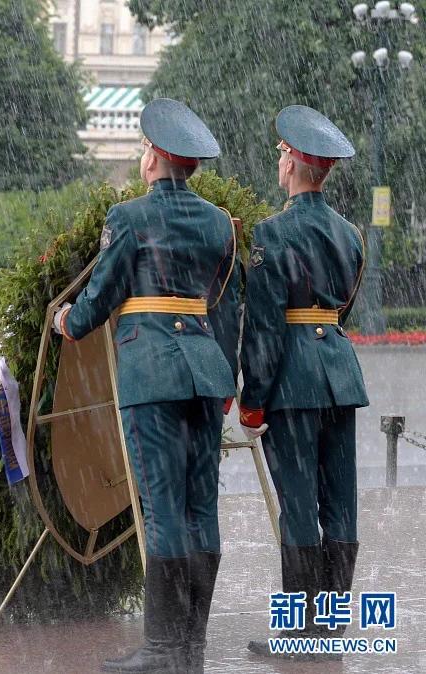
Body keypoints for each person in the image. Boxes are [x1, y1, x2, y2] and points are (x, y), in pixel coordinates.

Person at [53, 99, 240, 673]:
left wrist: (67, 319)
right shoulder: (218, 223)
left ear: (155, 157)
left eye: (142, 149)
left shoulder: (128, 218)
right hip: (205, 371)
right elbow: (221, 302)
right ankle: (191, 646)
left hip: (152, 370)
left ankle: (162, 651)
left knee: (160, 510)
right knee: (199, 508)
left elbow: (101, 296)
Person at [241, 106, 367, 660]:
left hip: (292, 382)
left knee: (298, 505)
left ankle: (298, 633)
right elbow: (343, 311)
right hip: (340, 376)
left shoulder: (271, 234)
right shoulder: (349, 233)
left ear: (292, 163)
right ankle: (331, 627)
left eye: (281, 154)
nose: (279, 161)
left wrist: (252, 401)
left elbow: (265, 328)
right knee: (340, 502)